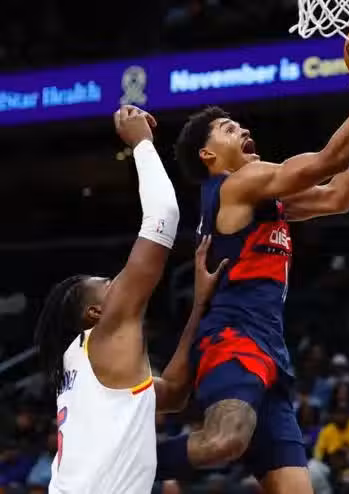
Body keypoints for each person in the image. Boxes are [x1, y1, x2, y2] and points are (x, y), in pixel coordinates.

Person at [159, 23, 349, 494]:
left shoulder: (261, 198)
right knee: (224, 442)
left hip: (271, 353)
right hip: (232, 340)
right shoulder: (235, 186)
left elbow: (338, 196)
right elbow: (325, 162)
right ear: (208, 155)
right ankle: (117, 458)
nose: (244, 129)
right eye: (228, 129)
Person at [33, 106, 225, 494]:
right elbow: (163, 216)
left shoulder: (88, 369)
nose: (121, 284)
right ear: (95, 312)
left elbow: (173, 393)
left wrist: (199, 305)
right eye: (109, 284)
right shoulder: (104, 334)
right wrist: (141, 143)